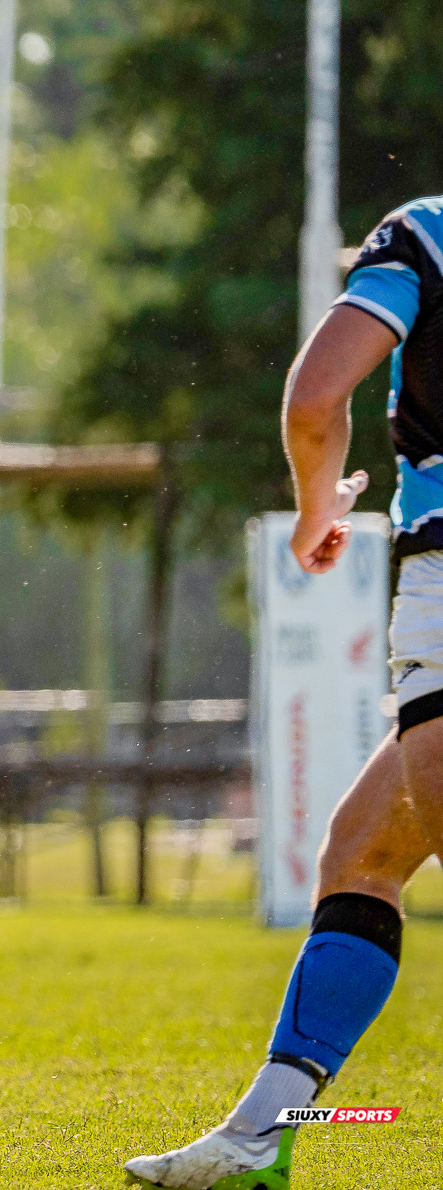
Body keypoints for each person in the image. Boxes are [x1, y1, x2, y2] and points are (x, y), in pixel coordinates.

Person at [123, 198, 443, 1187]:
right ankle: (263, 1131)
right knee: (363, 851)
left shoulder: (427, 233)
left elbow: (315, 401)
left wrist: (317, 508)